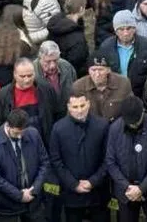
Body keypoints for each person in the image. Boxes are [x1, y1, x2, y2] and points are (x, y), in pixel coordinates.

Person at [49, 91, 111, 222]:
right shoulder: (58, 128)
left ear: (88, 104)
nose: (79, 110)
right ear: (68, 107)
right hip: (71, 194)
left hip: (98, 193)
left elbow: (108, 158)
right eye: (75, 107)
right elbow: (56, 160)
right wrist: (73, 184)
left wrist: (92, 181)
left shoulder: (103, 125)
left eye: (82, 106)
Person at [105, 95, 147, 222]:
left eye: (136, 121)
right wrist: (127, 186)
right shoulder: (114, 129)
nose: (133, 125)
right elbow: (111, 162)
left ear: (142, 112)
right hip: (125, 192)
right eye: (129, 122)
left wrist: (141, 188)